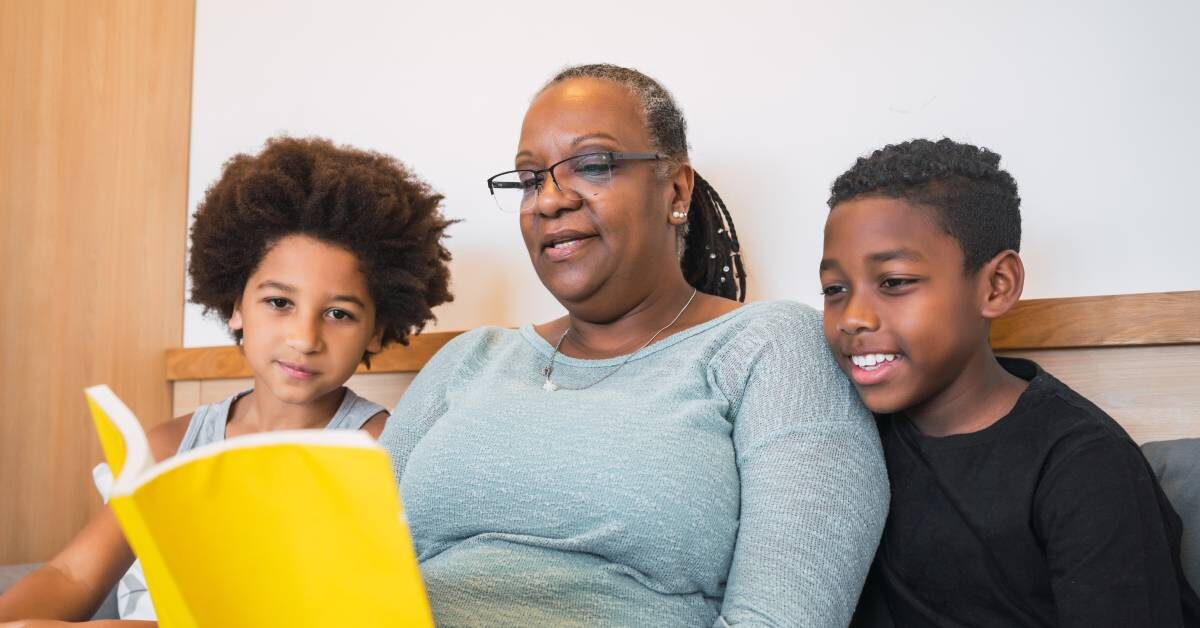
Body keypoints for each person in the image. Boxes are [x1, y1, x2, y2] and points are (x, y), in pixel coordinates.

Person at [380, 63, 888, 626]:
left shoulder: (767, 348)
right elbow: (351, 561)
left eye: (593, 165)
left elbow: (785, 616)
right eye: (529, 180)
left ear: (675, 190)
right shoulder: (468, 361)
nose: (548, 201)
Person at [0, 136, 454, 626]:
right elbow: (71, 575)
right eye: (279, 303)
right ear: (237, 307)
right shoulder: (172, 445)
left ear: (378, 330)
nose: (304, 338)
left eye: (339, 313)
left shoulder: (381, 452)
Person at [819, 138, 1200, 626]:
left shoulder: (1086, 465)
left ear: (996, 285)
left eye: (894, 282)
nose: (851, 318)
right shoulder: (845, 432)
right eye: (834, 290)